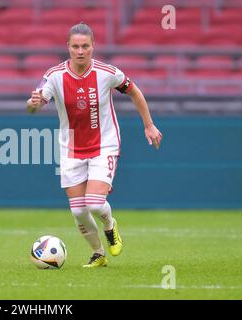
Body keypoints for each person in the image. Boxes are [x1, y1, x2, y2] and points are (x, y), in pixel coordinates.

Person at [26, 23, 162, 268]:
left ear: (92, 47)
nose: (80, 51)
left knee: (95, 203)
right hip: (71, 148)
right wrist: (33, 103)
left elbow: (135, 92)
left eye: (85, 46)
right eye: (75, 46)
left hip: (104, 145)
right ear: (68, 47)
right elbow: (35, 104)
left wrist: (149, 125)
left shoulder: (106, 72)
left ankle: (110, 226)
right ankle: (98, 254)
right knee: (78, 211)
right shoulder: (55, 75)